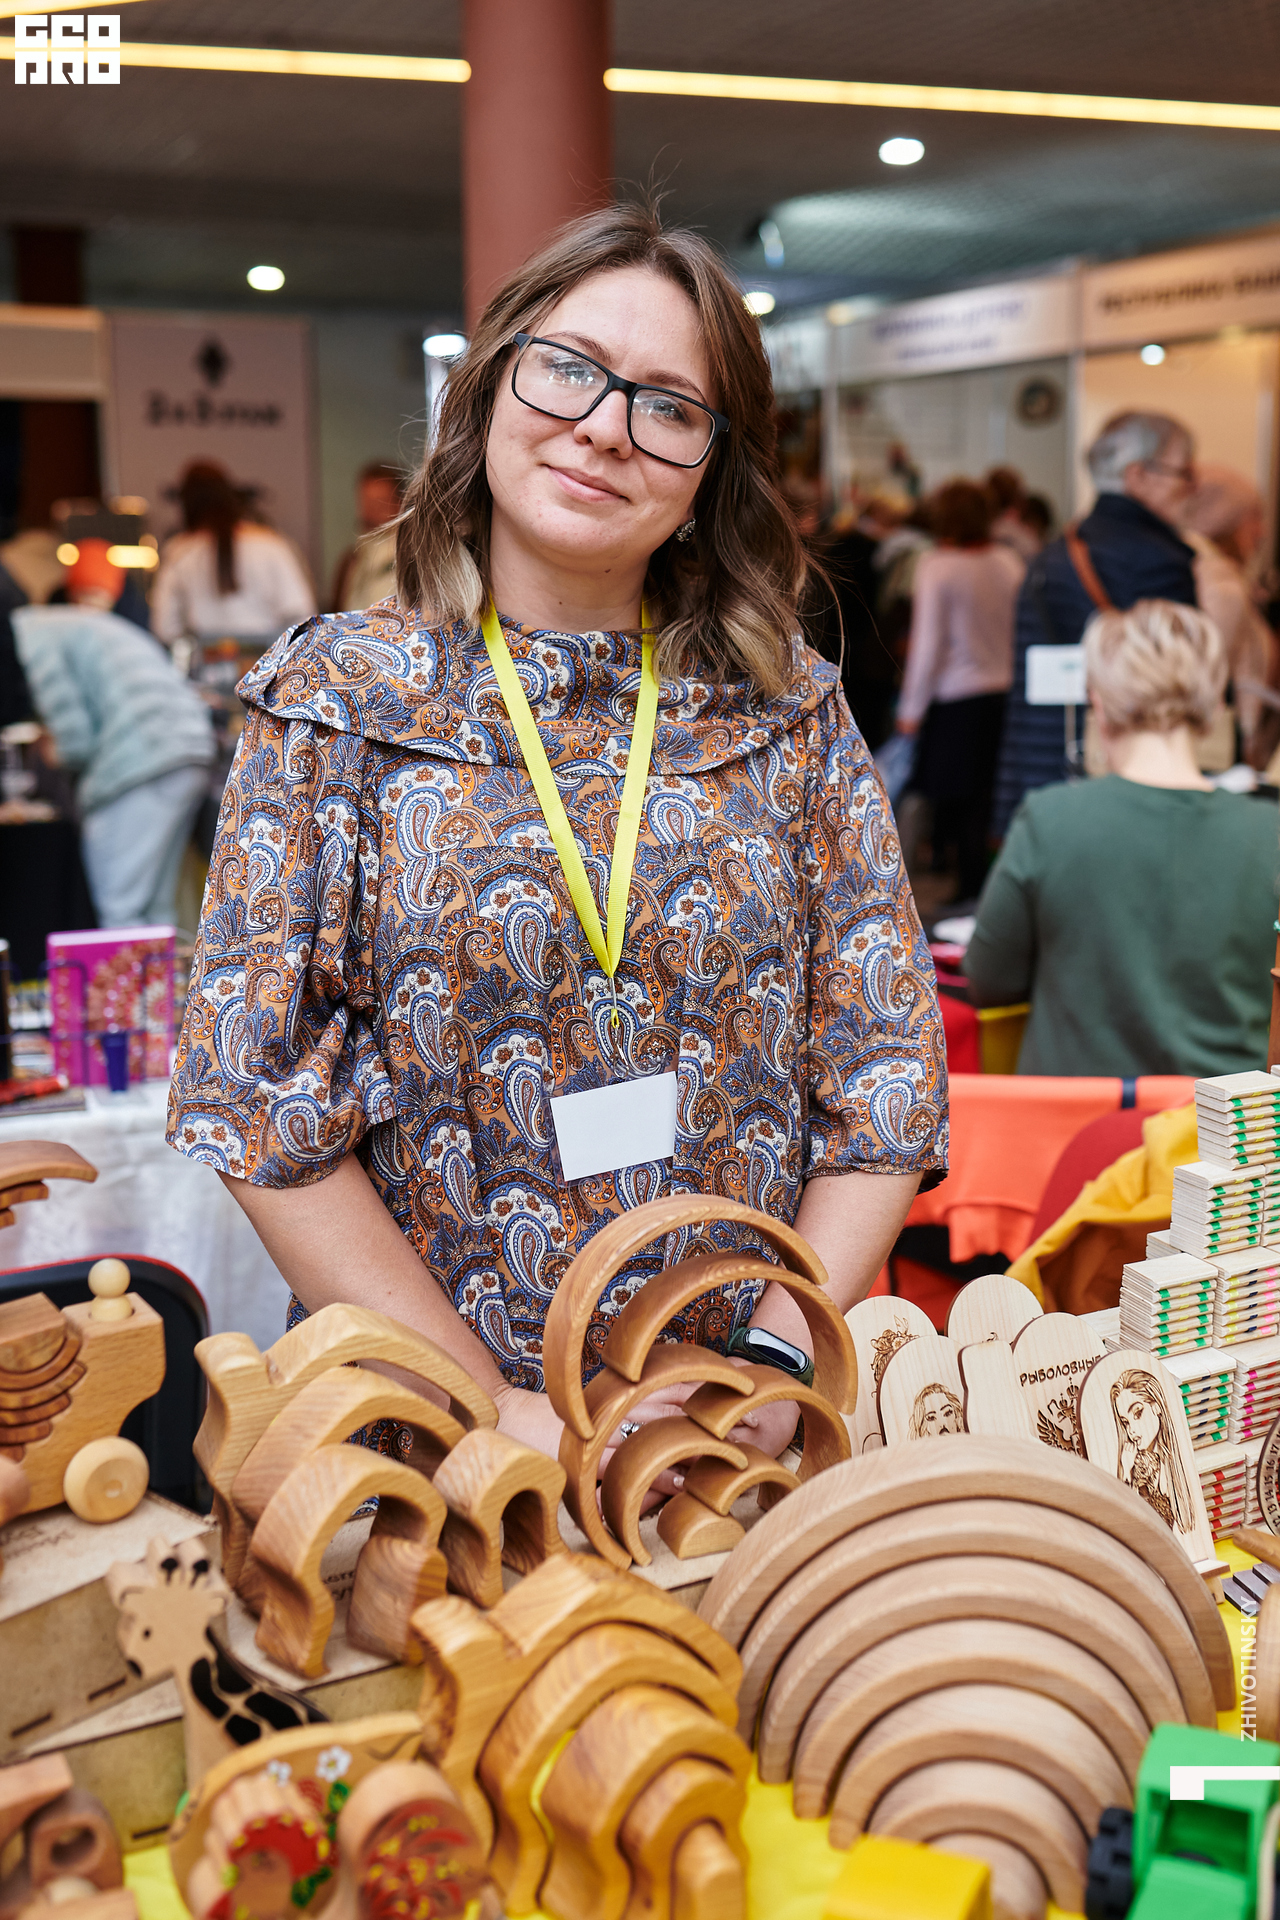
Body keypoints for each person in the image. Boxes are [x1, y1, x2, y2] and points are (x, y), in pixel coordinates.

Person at [166, 203, 947, 1480]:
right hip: (433, 1444)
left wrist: (776, 1356)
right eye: (570, 368)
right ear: (487, 391)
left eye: (667, 405)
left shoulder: (784, 712)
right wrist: (491, 1410)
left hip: (733, 1435)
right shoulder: (333, 700)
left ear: (707, 474)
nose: (603, 426)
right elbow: (257, 1102)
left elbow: (886, 1077)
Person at [964, 599, 1279, 1077]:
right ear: (1216, 706)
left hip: (1076, 1118)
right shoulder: (1270, 833)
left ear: (1100, 705)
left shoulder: (1050, 819)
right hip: (1220, 1120)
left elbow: (989, 981)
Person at [991, 411, 1198, 838]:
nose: (1192, 486)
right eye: (1185, 472)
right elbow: (1182, 684)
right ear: (1138, 476)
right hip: (1120, 781)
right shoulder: (1157, 560)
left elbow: (1026, 696)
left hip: (1039, 777)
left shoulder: (1055, 553)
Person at [11, 603, 215, 926]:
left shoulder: (31, 640)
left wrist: (47, 748)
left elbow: (74, 740)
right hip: (190, 750)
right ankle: (158, 962)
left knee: (119, 908)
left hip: (142, 761)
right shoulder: (64, 624)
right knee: (156, 908)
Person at [895, 479, 1023, 901]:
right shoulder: (1008, 562)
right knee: (988, 796)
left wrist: (910, 709)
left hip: (956, 697)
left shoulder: (937, 565)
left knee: (955, 799)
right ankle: (984, 887)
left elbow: (928, 644)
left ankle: (963, 887)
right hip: (1004, 693)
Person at [151, 462, 316, 647]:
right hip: (270, 658)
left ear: (186, 505)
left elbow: (165, 628)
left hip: (206, 659)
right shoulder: (271, 545)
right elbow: (302, 614)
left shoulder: (178, 551)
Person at [1177, 463, 1277, 768]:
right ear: (1225, 518)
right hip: (1220, 750)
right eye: (1254, 517)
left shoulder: (1207, 572)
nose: (1262, 532)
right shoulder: (1221, 584)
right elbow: (1212, 678)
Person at [329, 461, 406, 613]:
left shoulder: (409, 557)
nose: (371, 512)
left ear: (399, 502)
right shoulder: (351, 560)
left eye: (380, 502)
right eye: (366, 502)